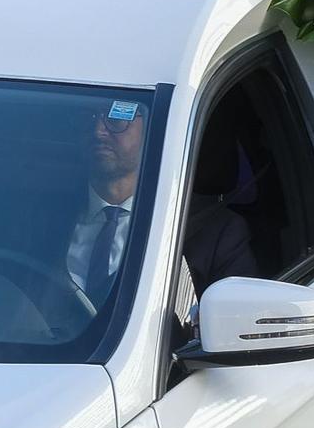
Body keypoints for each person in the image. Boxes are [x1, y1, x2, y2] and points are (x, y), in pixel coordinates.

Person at [64, 99, 254, 305]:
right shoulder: (40, 219)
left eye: (117, 118)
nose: (98, 131)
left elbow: (233, 318)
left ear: (150, 130)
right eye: (88, 118)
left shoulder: (216, 232)